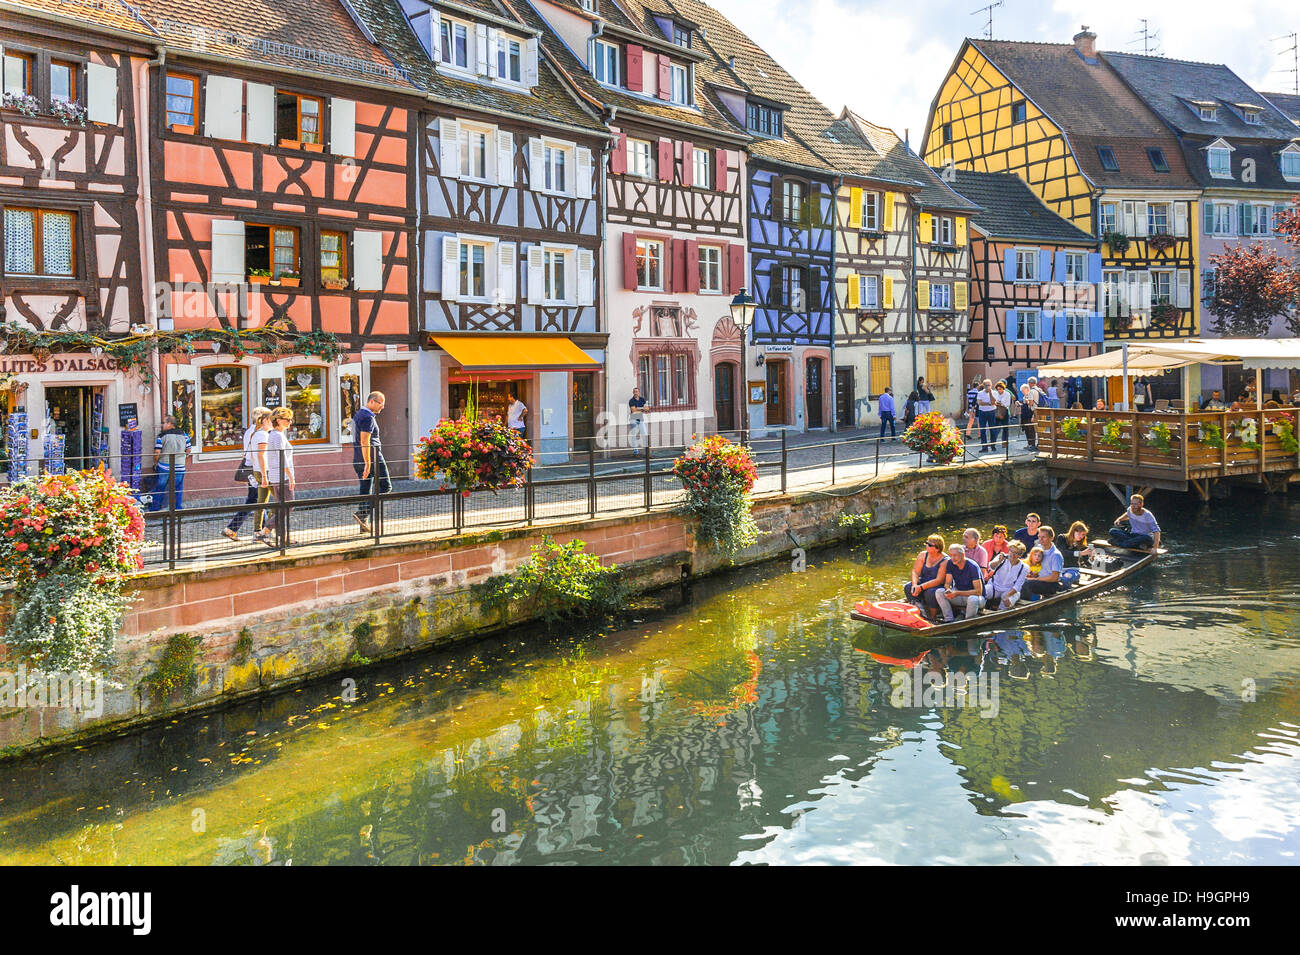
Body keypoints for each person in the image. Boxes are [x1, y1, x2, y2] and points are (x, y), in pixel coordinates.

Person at [223, 407, 273, 541]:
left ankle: (232, 528)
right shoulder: (260, 433)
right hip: (255, 469)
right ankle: (260, 533)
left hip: (252, 469)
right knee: (259, 501)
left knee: (254, 500)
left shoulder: (249, 431)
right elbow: (259, 454)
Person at [353, 391, 390, 535]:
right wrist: (368, 463)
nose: (383, 407)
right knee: (386, 486)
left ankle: (363, 524)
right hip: (372, 458)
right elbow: (364, 440)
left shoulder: (359, 414)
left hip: (358, 458)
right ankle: (362, 515)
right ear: (372, 402)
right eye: (381, 403)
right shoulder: (368, 417)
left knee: (365, 490)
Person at [262, 407, 297, 546]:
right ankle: (265, 531)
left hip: (277, 476)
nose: (289, 422)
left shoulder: (276, 435)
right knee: (288, 506)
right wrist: (291, 477)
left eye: (290, 419)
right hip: (281, 476)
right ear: (278, 420)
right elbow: (282, 459)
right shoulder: (277, 436)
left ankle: (284, 537)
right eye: (286, 419)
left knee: (282, 507)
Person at [149, 415, 192, 511]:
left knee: (160, 487)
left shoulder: (162, 436)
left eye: (164, 422)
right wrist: (183, 457)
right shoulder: (184, 434)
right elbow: (188, 449)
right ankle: (177, 509)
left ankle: (155, 509)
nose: (162, 425)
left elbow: (157, 452)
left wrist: (155, 462)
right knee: (178, 488)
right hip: (180, 466)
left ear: (169, 424)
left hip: (164, 465)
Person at [935, 544, 985, 621]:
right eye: (951, 555)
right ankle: (949, 619)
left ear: (963, 555)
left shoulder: (972, 566)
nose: (952, 558)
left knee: (973, 599)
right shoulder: (950, 563)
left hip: (976, 598)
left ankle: (968, 621)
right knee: (939, 592)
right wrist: (948, 589)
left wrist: (957, 593)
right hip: (960, 595)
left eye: (955, 555)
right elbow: (947, 583)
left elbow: (978, 592)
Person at [904, 534, 949, 619]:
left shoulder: (945, 560)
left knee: (930, 592)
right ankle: (919, 610)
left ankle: (932, 617)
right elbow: (915, 572)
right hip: (923, 581)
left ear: (937, 549)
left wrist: (921, 587)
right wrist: (915, 585)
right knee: (908, 587)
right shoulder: (923, 555)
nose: (926, 545)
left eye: (929, 544)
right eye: (926, 543)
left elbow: (939, 580)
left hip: (938, 585)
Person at [1021, 524, 1064, 600]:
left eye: (1043, 537)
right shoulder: (1038, 548)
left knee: (1026, 584)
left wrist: (1036, 579)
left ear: (1051, 538)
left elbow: (1055, 578)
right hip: (1037, 578)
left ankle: (1032, 601)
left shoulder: (1055, 555)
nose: (1040, 539)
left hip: (1051, 584)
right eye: (1039, 537)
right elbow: (1029, 560)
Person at [985, 540, 1029, 611]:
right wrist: (999, 561)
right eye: (1011, 551)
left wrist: (1006, 596)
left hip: (1010, 590)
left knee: (1006, 601)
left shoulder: (1024, 567)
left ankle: (1000, 614)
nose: (1013, 555)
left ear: (1020, 555)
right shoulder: (1001, 558)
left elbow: (1017, 586)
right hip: (994, 586)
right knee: (983, 593)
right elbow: (991, 567)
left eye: (1016, 553)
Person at [974, 378, 997, 451]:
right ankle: (984, 447)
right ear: (983, 385)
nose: (988, 387)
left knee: (992, 430)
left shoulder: (994, 392)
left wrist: (990, 393)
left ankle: (993, 445)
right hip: (982, 412)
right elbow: (979, 403)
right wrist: (989, 403)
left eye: (989, 385)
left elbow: (994, 402)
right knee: (982, 430)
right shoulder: (980, 393)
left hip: (992, 412)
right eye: (986, 385)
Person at [1019, 380, 1040, 449]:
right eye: (1022, 391)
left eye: (1023, 391)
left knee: (1031, 430)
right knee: (1026, 429)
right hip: (1025, 415)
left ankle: (1032, 444)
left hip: (1030, 414)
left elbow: (1030, 404)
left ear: (1027, 389)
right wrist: (1020, 404)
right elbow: (1025, 405)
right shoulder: (1025, 396)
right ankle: (1029, 444)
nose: (1022, 392)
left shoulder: (1031, 394)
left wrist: (1026, 402)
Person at [993, 380, 1013, 450]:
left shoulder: (1007, 394)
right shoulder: (995, 393)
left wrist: (999, 403)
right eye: (998, 389)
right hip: (997, 411)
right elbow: (994, 401)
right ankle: (993, 443)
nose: (999, 390)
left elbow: (1006, 404)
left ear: (1003, 388)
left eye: (1000, 389)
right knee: (996, 428)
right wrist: (998, 403)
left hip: (1004, 411)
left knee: (1005, 428)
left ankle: (1004, 443)